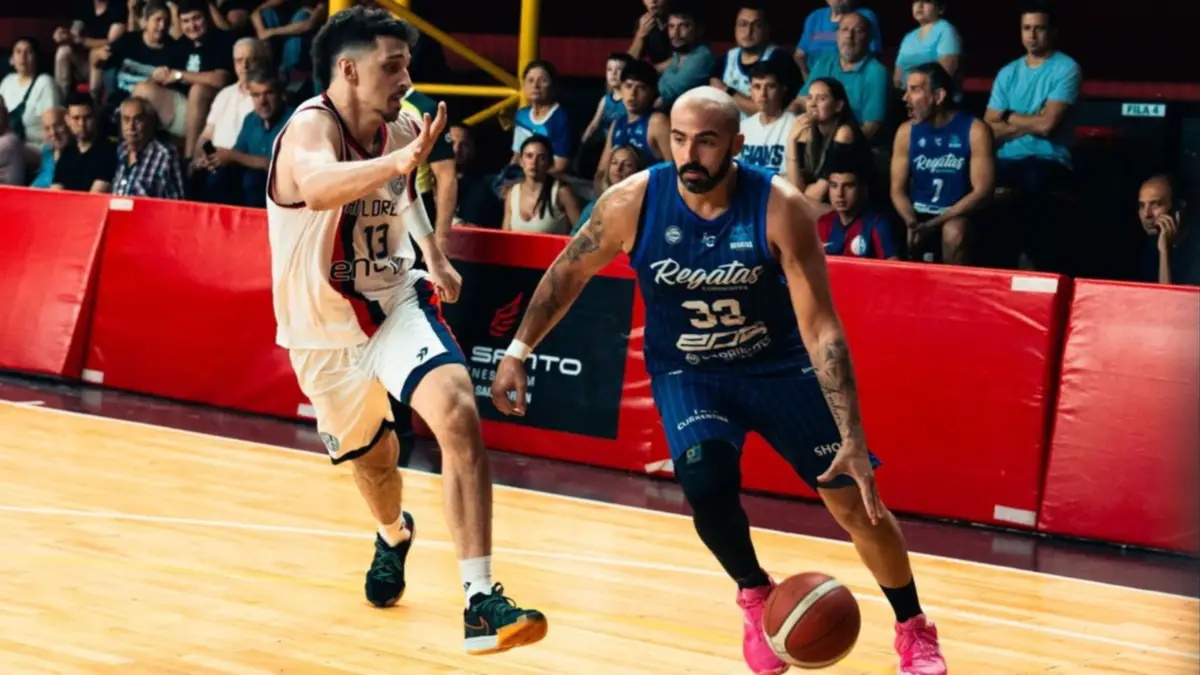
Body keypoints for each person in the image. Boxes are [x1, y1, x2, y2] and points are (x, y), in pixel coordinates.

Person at [489, 86, 946, 675]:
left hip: (777, 367)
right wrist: (518, 349)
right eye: (679, 139)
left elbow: (821, 327)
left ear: (736, 144)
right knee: (705, 484)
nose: (689, 154)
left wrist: (852, 434)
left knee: (857, 504)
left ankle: (914, 628)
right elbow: (568, 271)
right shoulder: (632, 201)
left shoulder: (780, 207)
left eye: (705, 141)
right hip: (691, 373)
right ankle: (755, 596)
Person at [265, 6, 546, 655]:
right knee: (374, 465)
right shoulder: (309, 128)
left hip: (393, 301)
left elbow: (404, 192)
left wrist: (433, 254)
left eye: (407, 65)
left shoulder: (403, 125)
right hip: (322, 330)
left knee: (457, 411)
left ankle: (480, 601)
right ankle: (393, 532)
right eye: (393, 66)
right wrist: (399, 162)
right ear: (348, 70)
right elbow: (320, 185)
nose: (406, 78)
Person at [891, 62, 993, 264]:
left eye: (915, 90)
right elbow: (897, 191)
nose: (905, 98)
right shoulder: (905, 132)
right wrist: (911, 222)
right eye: (906, 90)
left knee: (954, 231)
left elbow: (983, 191)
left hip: (959, 214)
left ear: (938, 96)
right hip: (918, 214)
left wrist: (935, 223)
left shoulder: (975, 130)